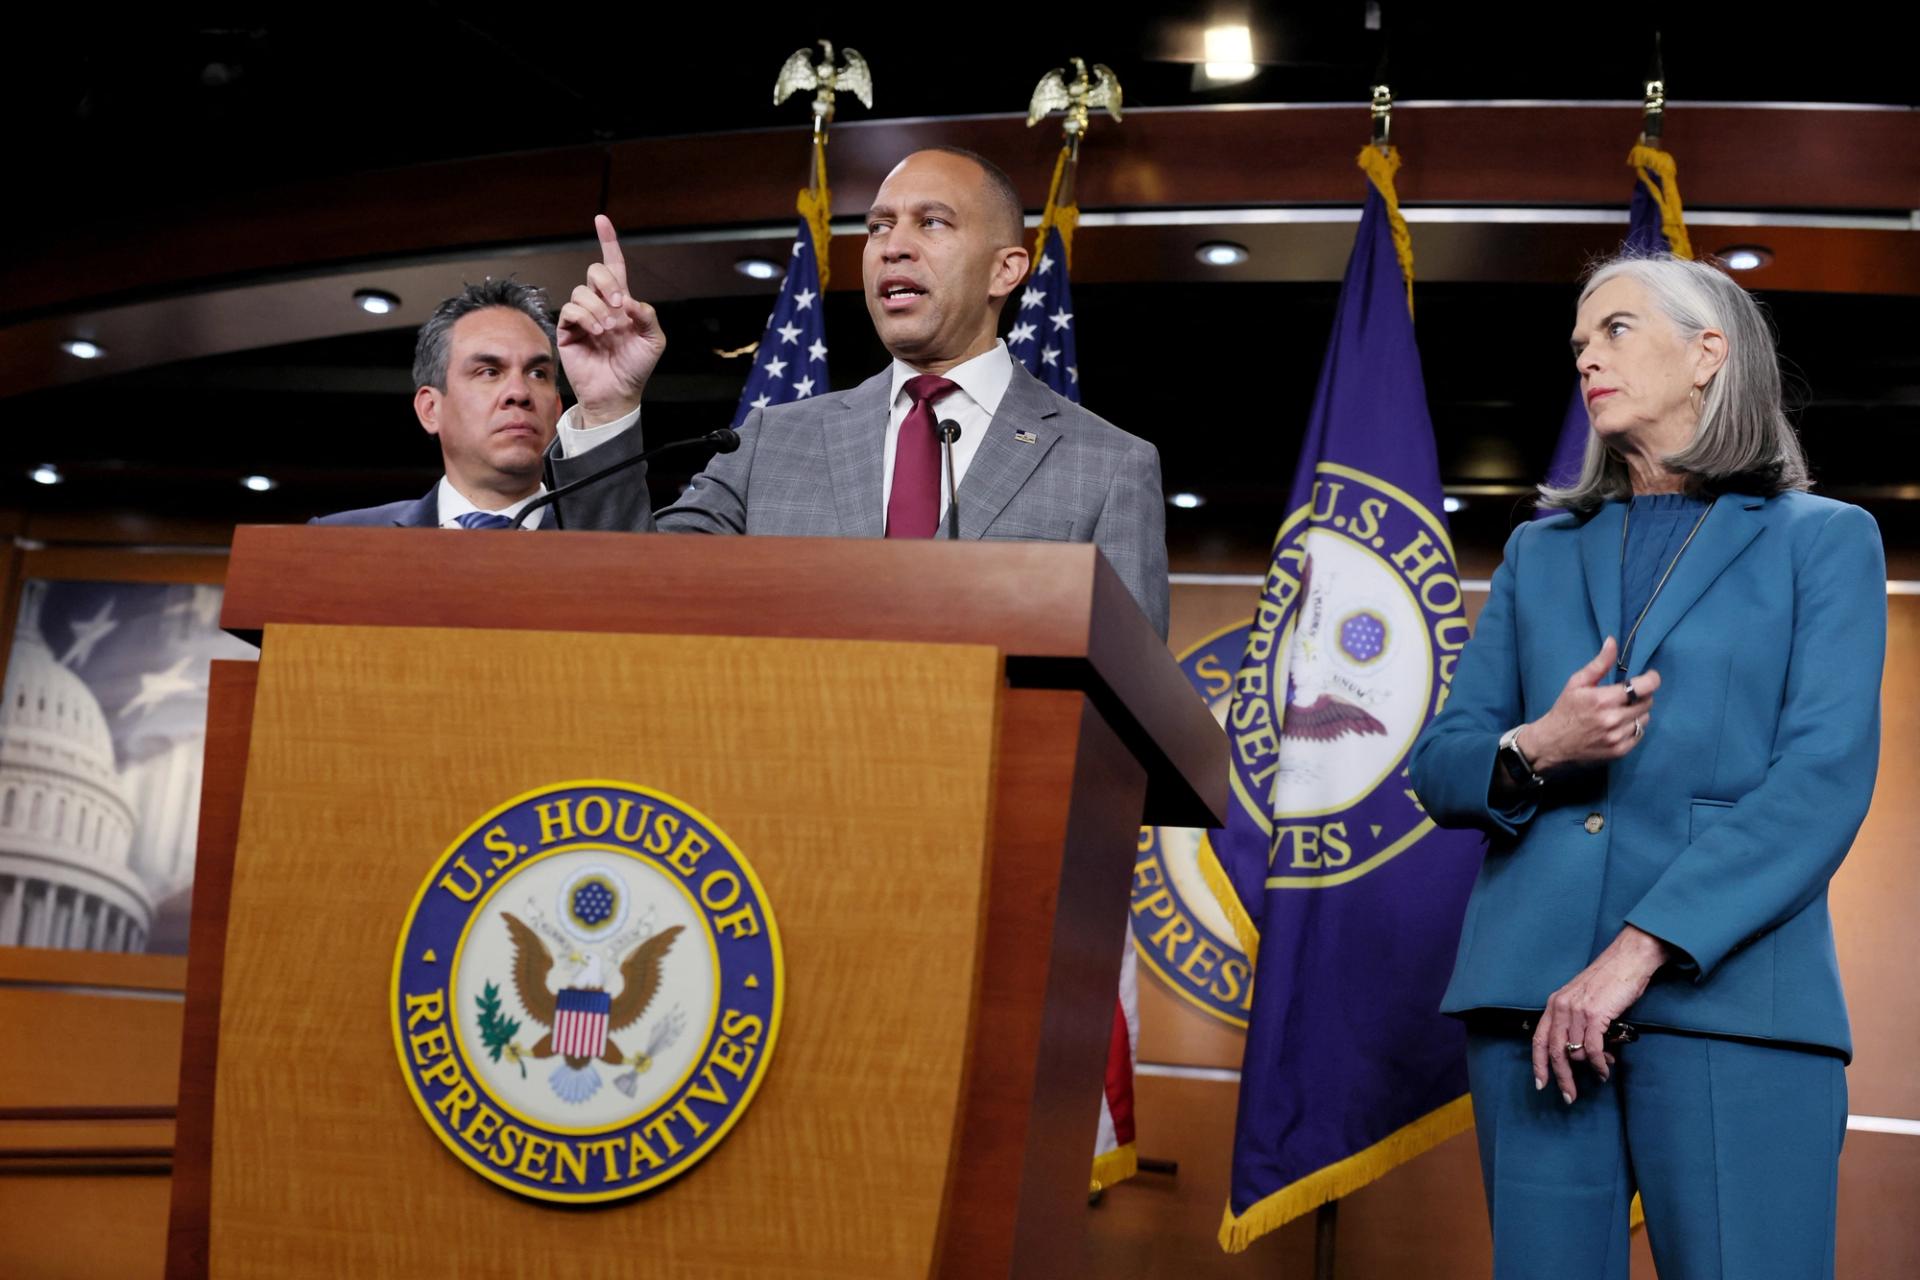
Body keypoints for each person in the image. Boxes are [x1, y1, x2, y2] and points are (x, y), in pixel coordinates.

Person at [1408, 252, 1884, 1279]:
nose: (1587, 355)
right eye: (1579, 340)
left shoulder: (1826, 542)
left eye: (1616, 329)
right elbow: (1442, 764)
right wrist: (1543, 745)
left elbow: (1821, 781)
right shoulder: (1540, 551)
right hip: (1530, 1006)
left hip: (1733, 1004)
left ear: (1709, 353)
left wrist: (1633, 955)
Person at [550, 147, 1170, 637]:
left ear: (1005, 270)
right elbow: (635, 593)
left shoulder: (1109, 466)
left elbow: (1131, 699)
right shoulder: (772, 441)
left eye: (932, 222)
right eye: (878, 226)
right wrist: (608, 407)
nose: (892, 245)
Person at [312, 276, 649, 529]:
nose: (519, 392)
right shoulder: (338, 540)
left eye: (537, 373)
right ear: (430, 409)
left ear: (558, 410)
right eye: (489, 372)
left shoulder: (603, 540)